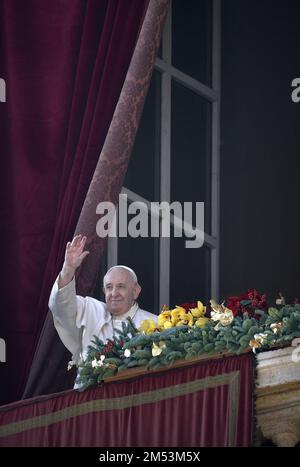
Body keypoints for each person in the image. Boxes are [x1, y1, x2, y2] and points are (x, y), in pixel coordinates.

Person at [49, 234, 157, 373]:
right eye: (109, 287)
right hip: (90, 393)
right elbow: (61, 305)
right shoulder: (90, 310)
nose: (114, 293)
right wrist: (69, 268)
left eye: (121, 286)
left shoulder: (155, 324)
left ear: (135, 291)